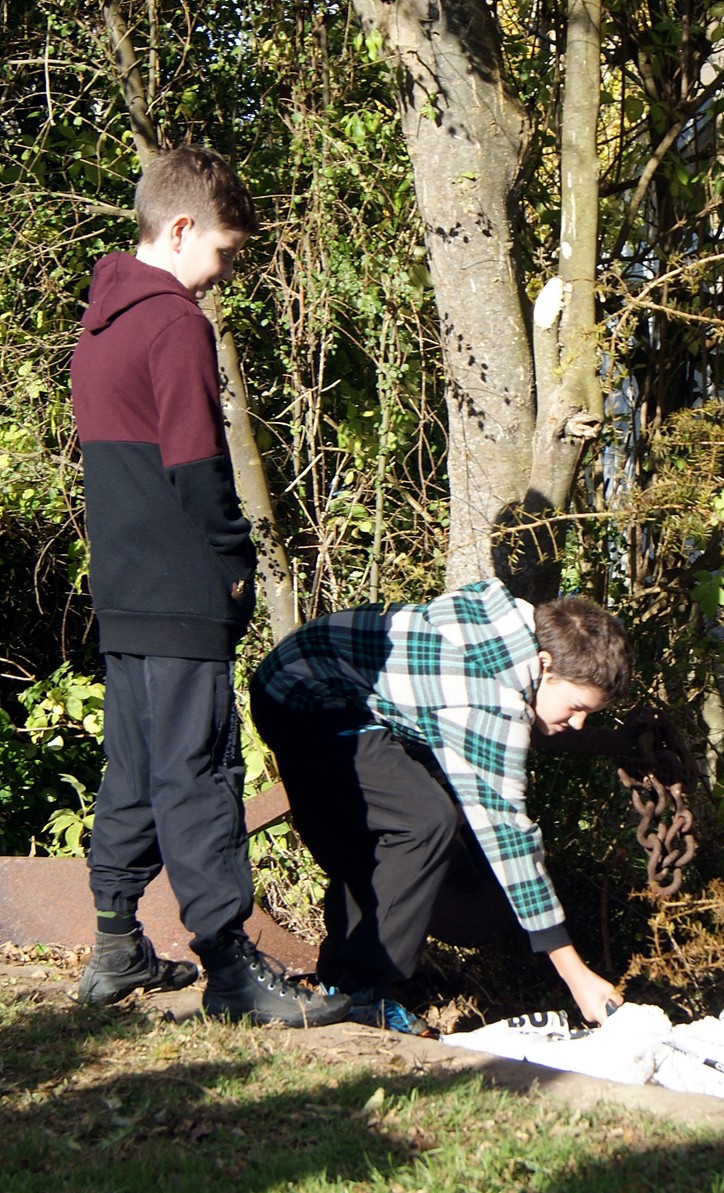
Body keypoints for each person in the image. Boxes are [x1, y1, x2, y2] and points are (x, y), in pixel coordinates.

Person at [69, 144, 350, 1028]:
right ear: (182, 227)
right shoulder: (172, 322)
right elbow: (196, 467)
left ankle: (116, 945)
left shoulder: (98, 326)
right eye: (224, 251)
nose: (223, 272)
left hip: (123, 588)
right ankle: (231, 970)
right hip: (183, 590)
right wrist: (234, 562)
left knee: (136, 766)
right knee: (200, 769)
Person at [248, 577, 634, 1030]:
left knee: (391, 829)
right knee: (422, 821)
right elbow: (508, 833)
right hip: (302, 696)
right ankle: (364, 992)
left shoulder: (513, 631)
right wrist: (575, 974)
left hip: (336, 691)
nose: (579, 722)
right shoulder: (488, 699)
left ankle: (345, 984)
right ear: (545, 666)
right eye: (577, 706)